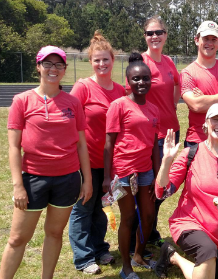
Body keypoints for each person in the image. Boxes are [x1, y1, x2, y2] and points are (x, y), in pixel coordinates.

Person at [0, 46, 92, 279]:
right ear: (38, 67)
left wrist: (87, 180)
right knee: (17, 238)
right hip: (33, 179)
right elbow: (13, 147)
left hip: (68, 179)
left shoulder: (72, 102)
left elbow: (82, 144)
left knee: (54, 233)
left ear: (64, 70)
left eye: (59, 65)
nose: (53, 69)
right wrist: (18, 185)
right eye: (48, 64)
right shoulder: (22, 101)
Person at [153, 103, 218, 279]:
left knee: (210, 273)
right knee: (207, 251)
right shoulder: (190, 154)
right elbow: (164, 191)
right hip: (190, 223)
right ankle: (182, 254)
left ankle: (172, 256)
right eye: (215, 119)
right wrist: (166, 161)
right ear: (206, 123)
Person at [69, 31, 126, 274]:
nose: (102, 64)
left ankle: (100, 248)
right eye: (97, 60)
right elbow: (68, 120)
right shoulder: (83, 87)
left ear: (113, 60)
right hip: (86, 159)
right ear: (90, 62)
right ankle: (83, 258)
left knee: (102, 205)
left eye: (106, 59)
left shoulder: (121, 90)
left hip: (111, 160)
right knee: (83, 206)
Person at [127, 16, 181, 256]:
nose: (155, 36)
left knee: (160, 189)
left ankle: (149, 234)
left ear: (166, 34)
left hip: (171, 131)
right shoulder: (141, 63)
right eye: (150, 33)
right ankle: (140, 238)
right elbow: (131, 97)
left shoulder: (169, 62)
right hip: (152, 136)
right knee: (149, 191)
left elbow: (176, 87)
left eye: (159, 32)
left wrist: (169, 107)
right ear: (145, 36)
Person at [103, 53, 160, 279]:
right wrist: (108, 177)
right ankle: (126, 267)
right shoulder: (118, 105)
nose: (141, 83)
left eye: (145, 78)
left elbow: (155, 145)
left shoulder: (154, 109)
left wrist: (157, 174)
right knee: (128, 218)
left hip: (146, 171)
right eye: (136, 79)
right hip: (124, 172)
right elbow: (109, 143)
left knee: (148, 216)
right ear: (128, 81)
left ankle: (139, 254)